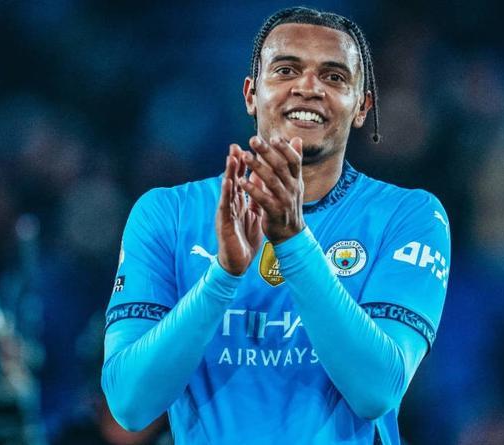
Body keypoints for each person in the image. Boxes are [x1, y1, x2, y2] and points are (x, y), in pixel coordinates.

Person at [101, 7, 450, 445]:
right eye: (286, 70)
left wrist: (293, 240)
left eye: (334, 77)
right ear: (251, 93)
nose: (308, 87)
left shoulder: (410, 216)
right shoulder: (166, 214)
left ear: (362, 106)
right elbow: (129, 405)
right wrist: (222, 276)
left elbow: (377, 391)